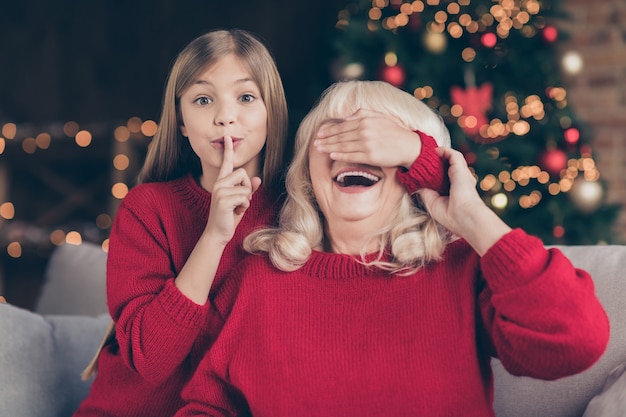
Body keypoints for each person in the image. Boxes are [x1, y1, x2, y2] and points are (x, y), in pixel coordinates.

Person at [175, 80, 610, 417]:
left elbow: (576, 341)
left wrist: (467, 214)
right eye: (337, 136)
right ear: (308, 168)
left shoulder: (459, 272)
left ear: (418, 169)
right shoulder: (257, 282)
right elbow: (207, 406)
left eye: (379, 141)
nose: (355, 150)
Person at [73, 30, 440, 416]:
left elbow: (438, 204)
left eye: (246, 97)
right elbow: (151, 360)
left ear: (272, 113)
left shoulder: (303, 204)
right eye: (202, 100)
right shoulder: (147, 209)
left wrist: (415, 149)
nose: (224, 116)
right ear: (181, 122)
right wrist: (214, 236)